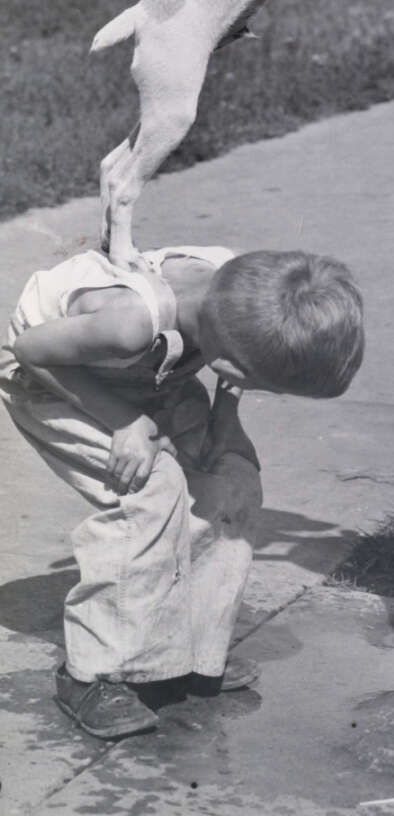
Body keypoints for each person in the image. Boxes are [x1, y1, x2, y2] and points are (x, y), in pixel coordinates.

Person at [0, 245, 364, 740]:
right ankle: (93, 673)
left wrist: (226, 422)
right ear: (235, 367)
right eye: (270, 388)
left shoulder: (245, 295)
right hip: (53, 378)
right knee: (151, 488)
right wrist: (125, 421)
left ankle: (191, 650)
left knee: (232, 477)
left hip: (150, 376)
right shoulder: (129, 320)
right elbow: (30, 351)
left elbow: (231, 373)